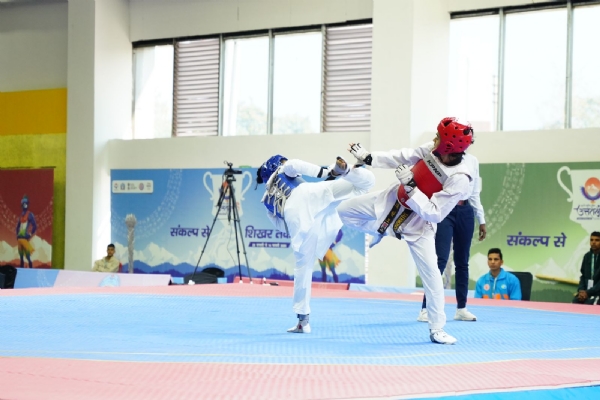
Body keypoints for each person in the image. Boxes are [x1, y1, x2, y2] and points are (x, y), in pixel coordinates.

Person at [338, 117, 475, 345]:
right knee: (344, 211)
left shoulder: (460, 178)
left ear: (449, 145)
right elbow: (401, 156)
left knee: (432, 276)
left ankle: (437, 329)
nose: (434, 139)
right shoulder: (431, 150)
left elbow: (435, 213)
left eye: (438, 136)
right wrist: (369, 158)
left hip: (419, 226)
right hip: (391, 199)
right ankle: (383, 229)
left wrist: (411, 187)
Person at [257, 154, 375, 333]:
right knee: (363, 186)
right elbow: (296, 164)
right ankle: (349, 171)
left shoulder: (266, 202)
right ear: (275, 165)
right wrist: (328, 172)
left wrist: (301, 228)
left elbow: (283, 226)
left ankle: (303, 321)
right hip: (309, 193)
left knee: (303, 268)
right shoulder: (282, 170)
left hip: (294, 217)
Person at [418, 152, 486, 323]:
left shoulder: (473, 160)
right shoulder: (442, 157)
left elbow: (475, 192)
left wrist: (481, 219)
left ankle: (461, 308)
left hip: (465, 211)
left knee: (462, 261)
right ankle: (426, 309)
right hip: (444, 210)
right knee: (439, 260)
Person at [572, 231, 600, 305]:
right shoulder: (587, 256)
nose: (593, 242)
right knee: (575, 302)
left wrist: (588, 292)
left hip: (597, 293)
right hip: (587, 293)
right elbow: (583, 276)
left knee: (590, 303)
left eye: (597, 240)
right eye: (591, 240)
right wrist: (581, 291)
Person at [16, 195, 37, 269]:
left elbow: (34, 225)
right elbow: (17, 226)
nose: (24, 205)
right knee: (21, 257)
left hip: (25, 238)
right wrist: (17, 235)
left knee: (27, 257)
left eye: (26, 203)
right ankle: (21, 272)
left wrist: (30, 234)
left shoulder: (30, 214)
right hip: (20, 239)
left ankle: (31, 270)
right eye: (23, 203)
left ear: (27, 204)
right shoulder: (21, 215)